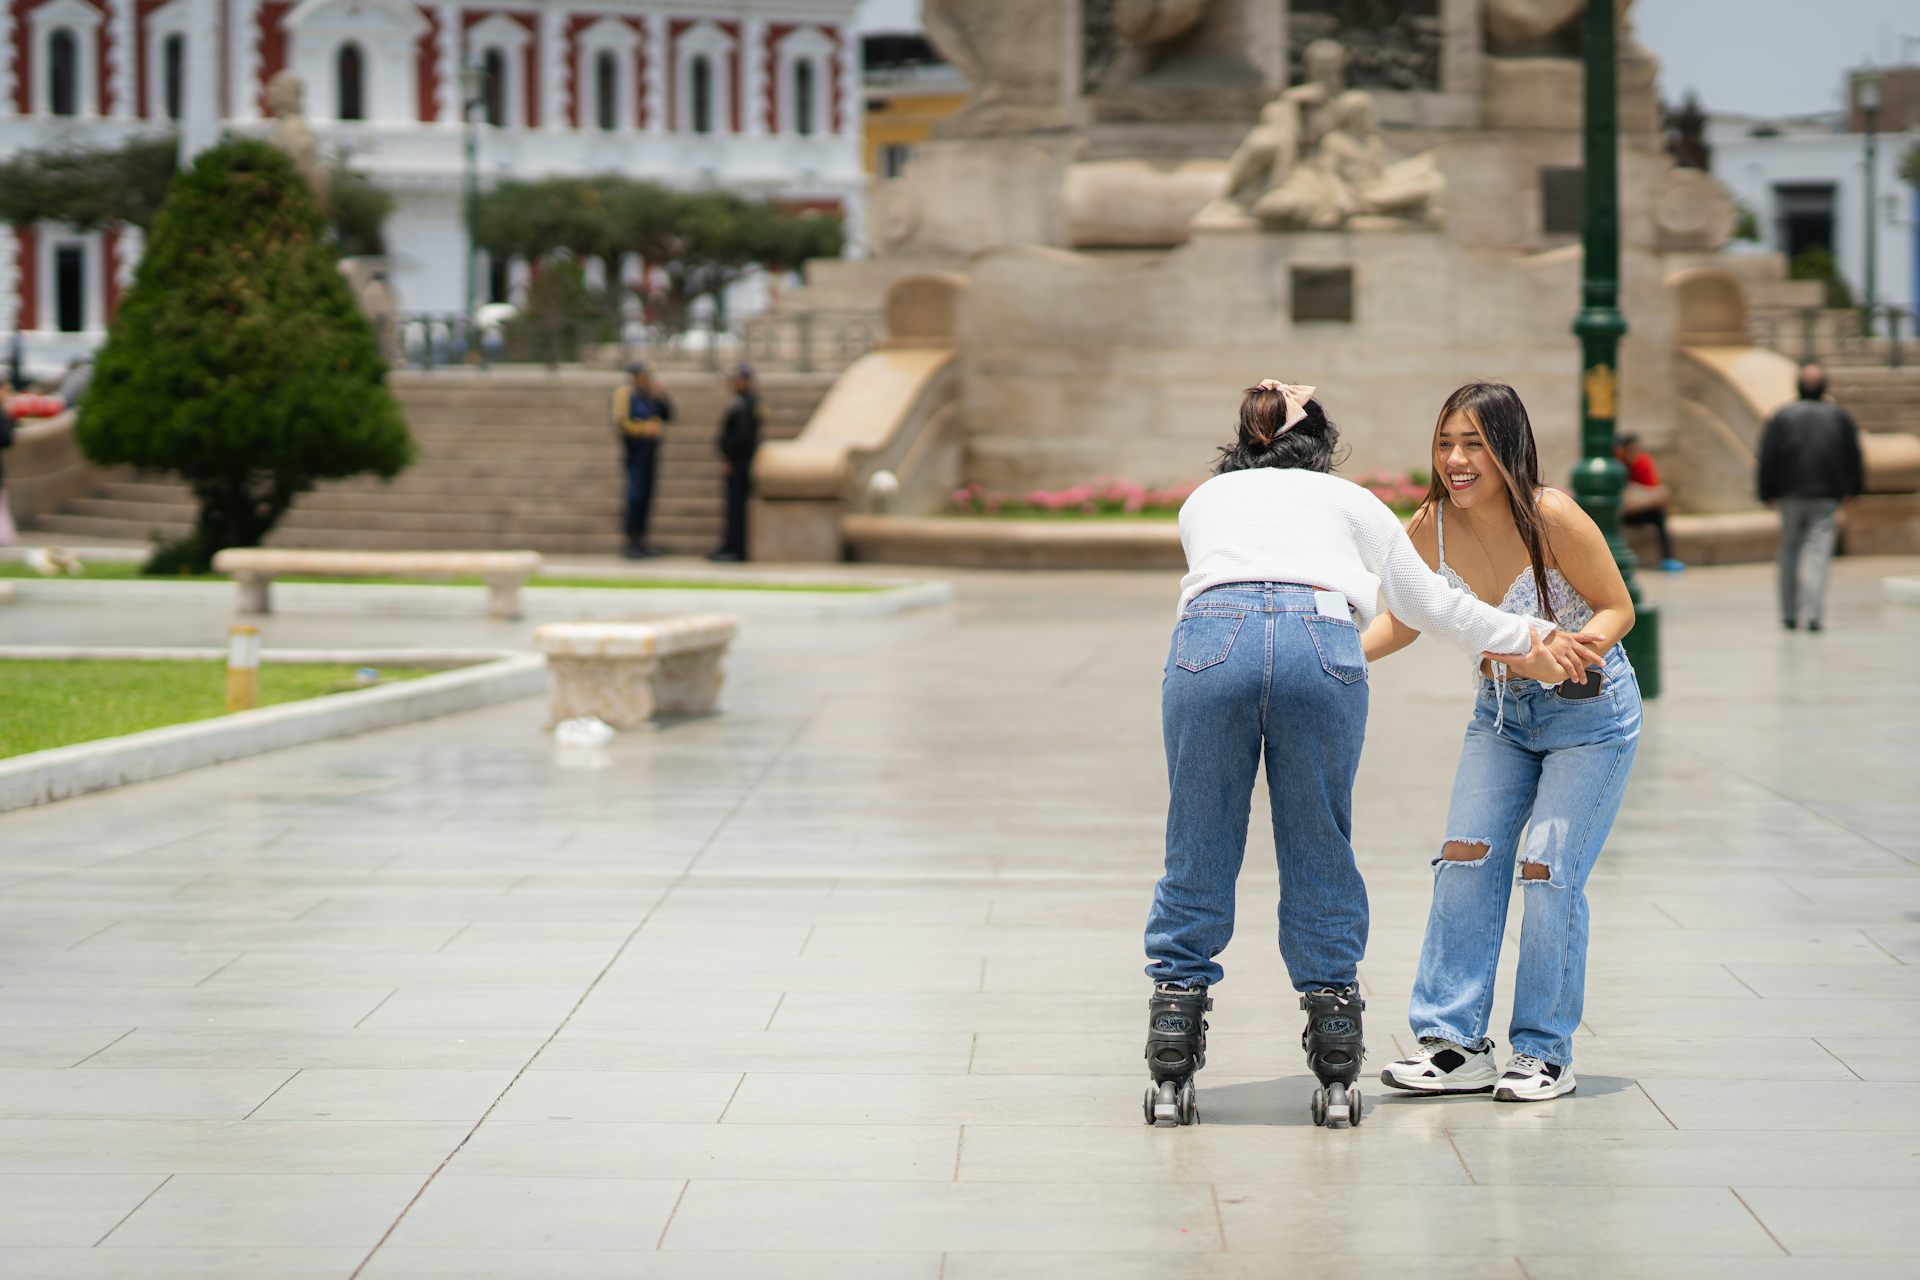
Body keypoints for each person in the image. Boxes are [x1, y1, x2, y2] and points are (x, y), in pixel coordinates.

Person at [1141, 380, 1599, 1129]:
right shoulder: (1352, 501)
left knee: (1198, 839)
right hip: (1321, 640)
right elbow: (1430, 606)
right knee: (1319, 841)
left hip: (1210, 641)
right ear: (1321, 447)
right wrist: (1528, 637)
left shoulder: (1203, 500)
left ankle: (1173, 1031)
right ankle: (1334, 1038)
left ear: (1244, 442)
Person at [1363, 381, 1641, 1104]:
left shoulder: (1551, 516)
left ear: (1508, 449)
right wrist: (1336, 655)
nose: (1455, 460)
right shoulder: (1430, 526)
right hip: (1500, 717)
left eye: (1474, 445)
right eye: (1445, 444)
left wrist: (1569, 654)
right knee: (1464, 859)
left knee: (1547, 871)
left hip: (1589, 715)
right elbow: (1404, 617)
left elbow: (1617, 607)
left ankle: (1544, 1053)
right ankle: (1454, 1045)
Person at [1758, 362, 1865, 631]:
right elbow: (1853, 455)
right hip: (1826, 495)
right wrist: (1853, 488)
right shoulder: (1839, 416)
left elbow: (1767, 455)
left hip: (1790, 494)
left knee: (1789, 551)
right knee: (1818, 553)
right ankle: (1814, 613)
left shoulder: (1782, 415)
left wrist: (1766, 491)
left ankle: (1789, 613)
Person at [611, 362, 674, 559]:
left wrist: (662, 395)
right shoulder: (626, 394)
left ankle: (642, 539)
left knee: (646, 497)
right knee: (635, 496)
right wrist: (644, 429)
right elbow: (621, 422)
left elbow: (668, 415)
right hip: (635, 452)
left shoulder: (650, 395)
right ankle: (631, 541)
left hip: (649, 453)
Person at [710, 364, 761, 562]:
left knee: (737, 507)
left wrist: (731, 458)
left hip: (740, 463)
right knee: (733, 507)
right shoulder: (743, 402)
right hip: (739, 461)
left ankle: (735, 548)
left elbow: (743, 437)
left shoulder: (746, 404)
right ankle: (730, 545)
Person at [1616, 432, 1684, 571]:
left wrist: (1638, 502)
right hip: (1620, 512)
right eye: (1631, 450)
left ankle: (1667, 558)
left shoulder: (1643, 463)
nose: (1634, 454)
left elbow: (1655, 493)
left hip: (1637, 508)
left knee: (1659, 515)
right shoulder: (1616, 465)